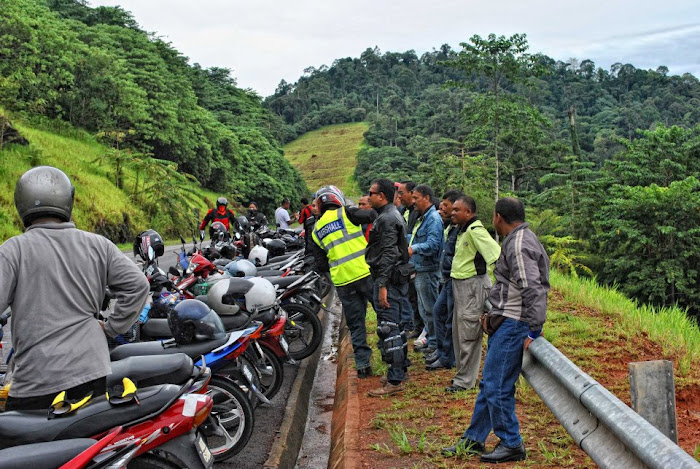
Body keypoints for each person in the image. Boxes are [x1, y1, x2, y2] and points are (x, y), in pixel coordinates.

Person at [0, 166, 149, 411]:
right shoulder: (98, 244)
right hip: (91, 370)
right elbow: (138, 285)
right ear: (68, 200)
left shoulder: (13, 250)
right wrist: (112, 328)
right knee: (86, 444)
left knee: (23, 445)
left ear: (21, 204)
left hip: (38, 378)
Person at [442, 197, 550, 464]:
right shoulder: (521, 238)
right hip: (509, 322)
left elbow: (532, 288)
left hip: (514, 324)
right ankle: (474, 438)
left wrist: (534, 329)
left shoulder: (518, 244)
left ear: (498, 217)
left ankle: (512, 443)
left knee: (497, 386)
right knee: (490, 384)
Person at [310, 186, 376, 378]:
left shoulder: (316, 231)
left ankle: (363, 366)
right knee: (383, 313)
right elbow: (372, 215)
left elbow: (321, 263)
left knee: (355, 323)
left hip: (343, 281)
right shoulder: (347, 213)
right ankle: (391, 355)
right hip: (365, 272)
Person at [446, 195, 501, 393]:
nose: (452, 213)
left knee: (468, 333)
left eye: (456, 210)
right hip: (461, 286)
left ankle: (465, 381)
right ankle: (462, 376)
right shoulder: (461, 230)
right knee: (459, 333)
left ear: (468, 212)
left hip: (472, 287)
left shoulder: (476, 230)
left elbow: (496, 256)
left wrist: (502, 286)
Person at [365, 178, 411, 396]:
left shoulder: (386, 219)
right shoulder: (390, 214)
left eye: (371, 193)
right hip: (392, 279)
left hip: (389, 280)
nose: (368, 196)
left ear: (381, 196)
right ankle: (400, 371)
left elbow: (389, 253)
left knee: (388, 327)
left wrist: (382, 284)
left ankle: (395, 381)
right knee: (396, 325)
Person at [425, 189, 463, 371]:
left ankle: (447, 357)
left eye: (447, 206)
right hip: (447, 278)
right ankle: (443, 352)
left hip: (454, 279)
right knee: (440, 313)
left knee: (447, 318)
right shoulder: (451, 226)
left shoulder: (465, 230)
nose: (442, 208)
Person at [407, 184, 444, 358]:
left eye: (416, 198)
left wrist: (413, 248)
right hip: (420, 268)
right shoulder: (424, 218)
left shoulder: (433, 219)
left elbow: (433, 245)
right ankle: (431, 340)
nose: (413, 202)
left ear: (426, 198)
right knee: (424, 309)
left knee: (430, 309)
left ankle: (436, 343)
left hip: (428, 269)